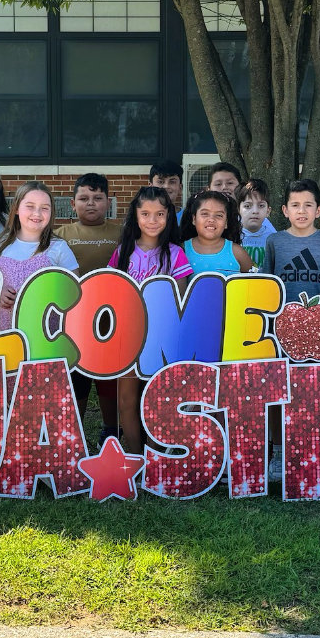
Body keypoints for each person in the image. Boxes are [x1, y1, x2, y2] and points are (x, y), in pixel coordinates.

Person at [108, 186, 192, 452]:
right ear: (135, 215)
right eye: (145, 213)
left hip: (162, 338)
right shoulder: (123, 251)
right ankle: (134, 458)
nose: (152, 220)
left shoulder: (175, 253)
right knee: (126, 400)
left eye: (159, 214)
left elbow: (179, 298)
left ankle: (156, 457)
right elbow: (111, 291)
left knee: (157, 398)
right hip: (127, 336)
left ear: (169, 217)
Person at [55, 174, 122, 444]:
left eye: (97, 198)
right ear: (72, 203)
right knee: (76, 378)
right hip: (73, 321)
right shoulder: (59, 235)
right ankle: (74, 433)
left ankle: (111, 429)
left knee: (107, 379)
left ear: (108, 202)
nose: (90, 204)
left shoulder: (121, 234)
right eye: (83, 199)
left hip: (111, 319)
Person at [0, 181, 79, 330]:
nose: (37, 213)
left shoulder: (58, 247)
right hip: (6, 333)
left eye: (44, 208)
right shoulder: (1, 245)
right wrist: (0, 292)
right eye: (30, 206)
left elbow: (74, 289)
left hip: (45, 335)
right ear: (17, 208)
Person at [264, 178, 320, 302]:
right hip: (281, 317)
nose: (301, 211)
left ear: (318, 210)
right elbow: (266, 282)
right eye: (295, 205)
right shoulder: (274, 241)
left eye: (308, 205)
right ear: (285, 210)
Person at [181, 189, 254, 274]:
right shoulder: (181, 251)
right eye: (205, 214)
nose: (211, 220)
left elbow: (252, 284)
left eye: (219, 215)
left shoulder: (238, 253)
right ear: (194, 219)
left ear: (226, 222)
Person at [237, 179, 276, 270]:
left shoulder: (273, 239)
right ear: (238, 210)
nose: (255, 211)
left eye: (261, 206)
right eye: (247, 206)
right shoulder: (232, 237)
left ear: (268, 211)